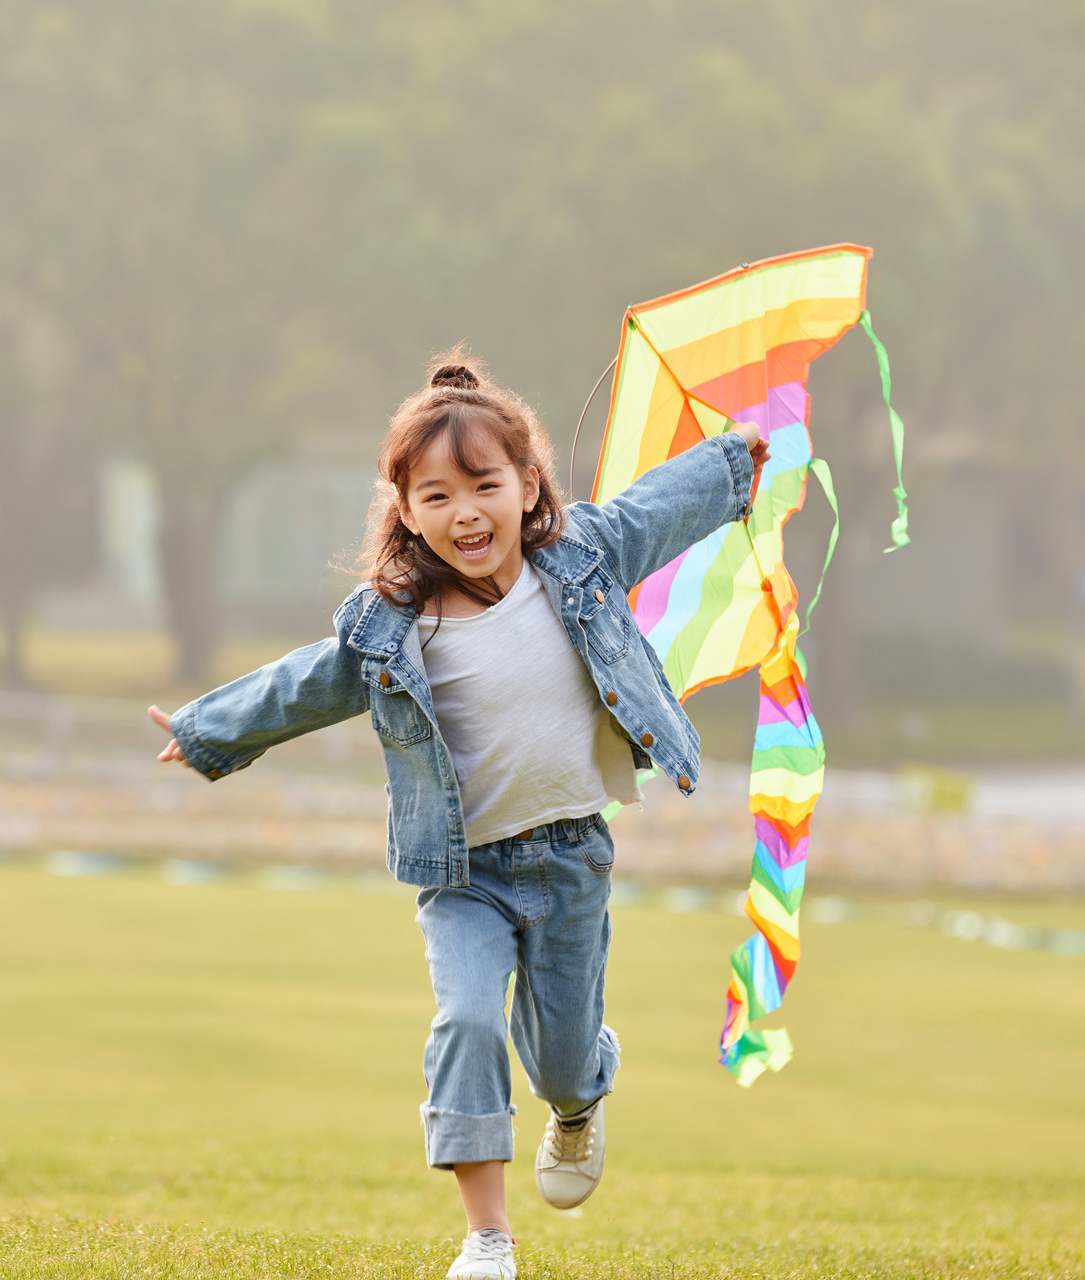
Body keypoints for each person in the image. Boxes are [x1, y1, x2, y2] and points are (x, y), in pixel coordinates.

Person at [147, 351, 766, 1280]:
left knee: (557, 1064)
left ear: (527, 485)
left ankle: (580, 1091)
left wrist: (731, 464)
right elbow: (304, 686)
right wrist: (207, 731)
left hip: (569, 861)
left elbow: (655, 508)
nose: (465, 513)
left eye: (484, 485)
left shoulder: (582, 559)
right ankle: (488, 1237)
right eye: (435, 496)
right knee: (469, 1020)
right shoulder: (389, 626)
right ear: (404, 509)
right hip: (461, 872)